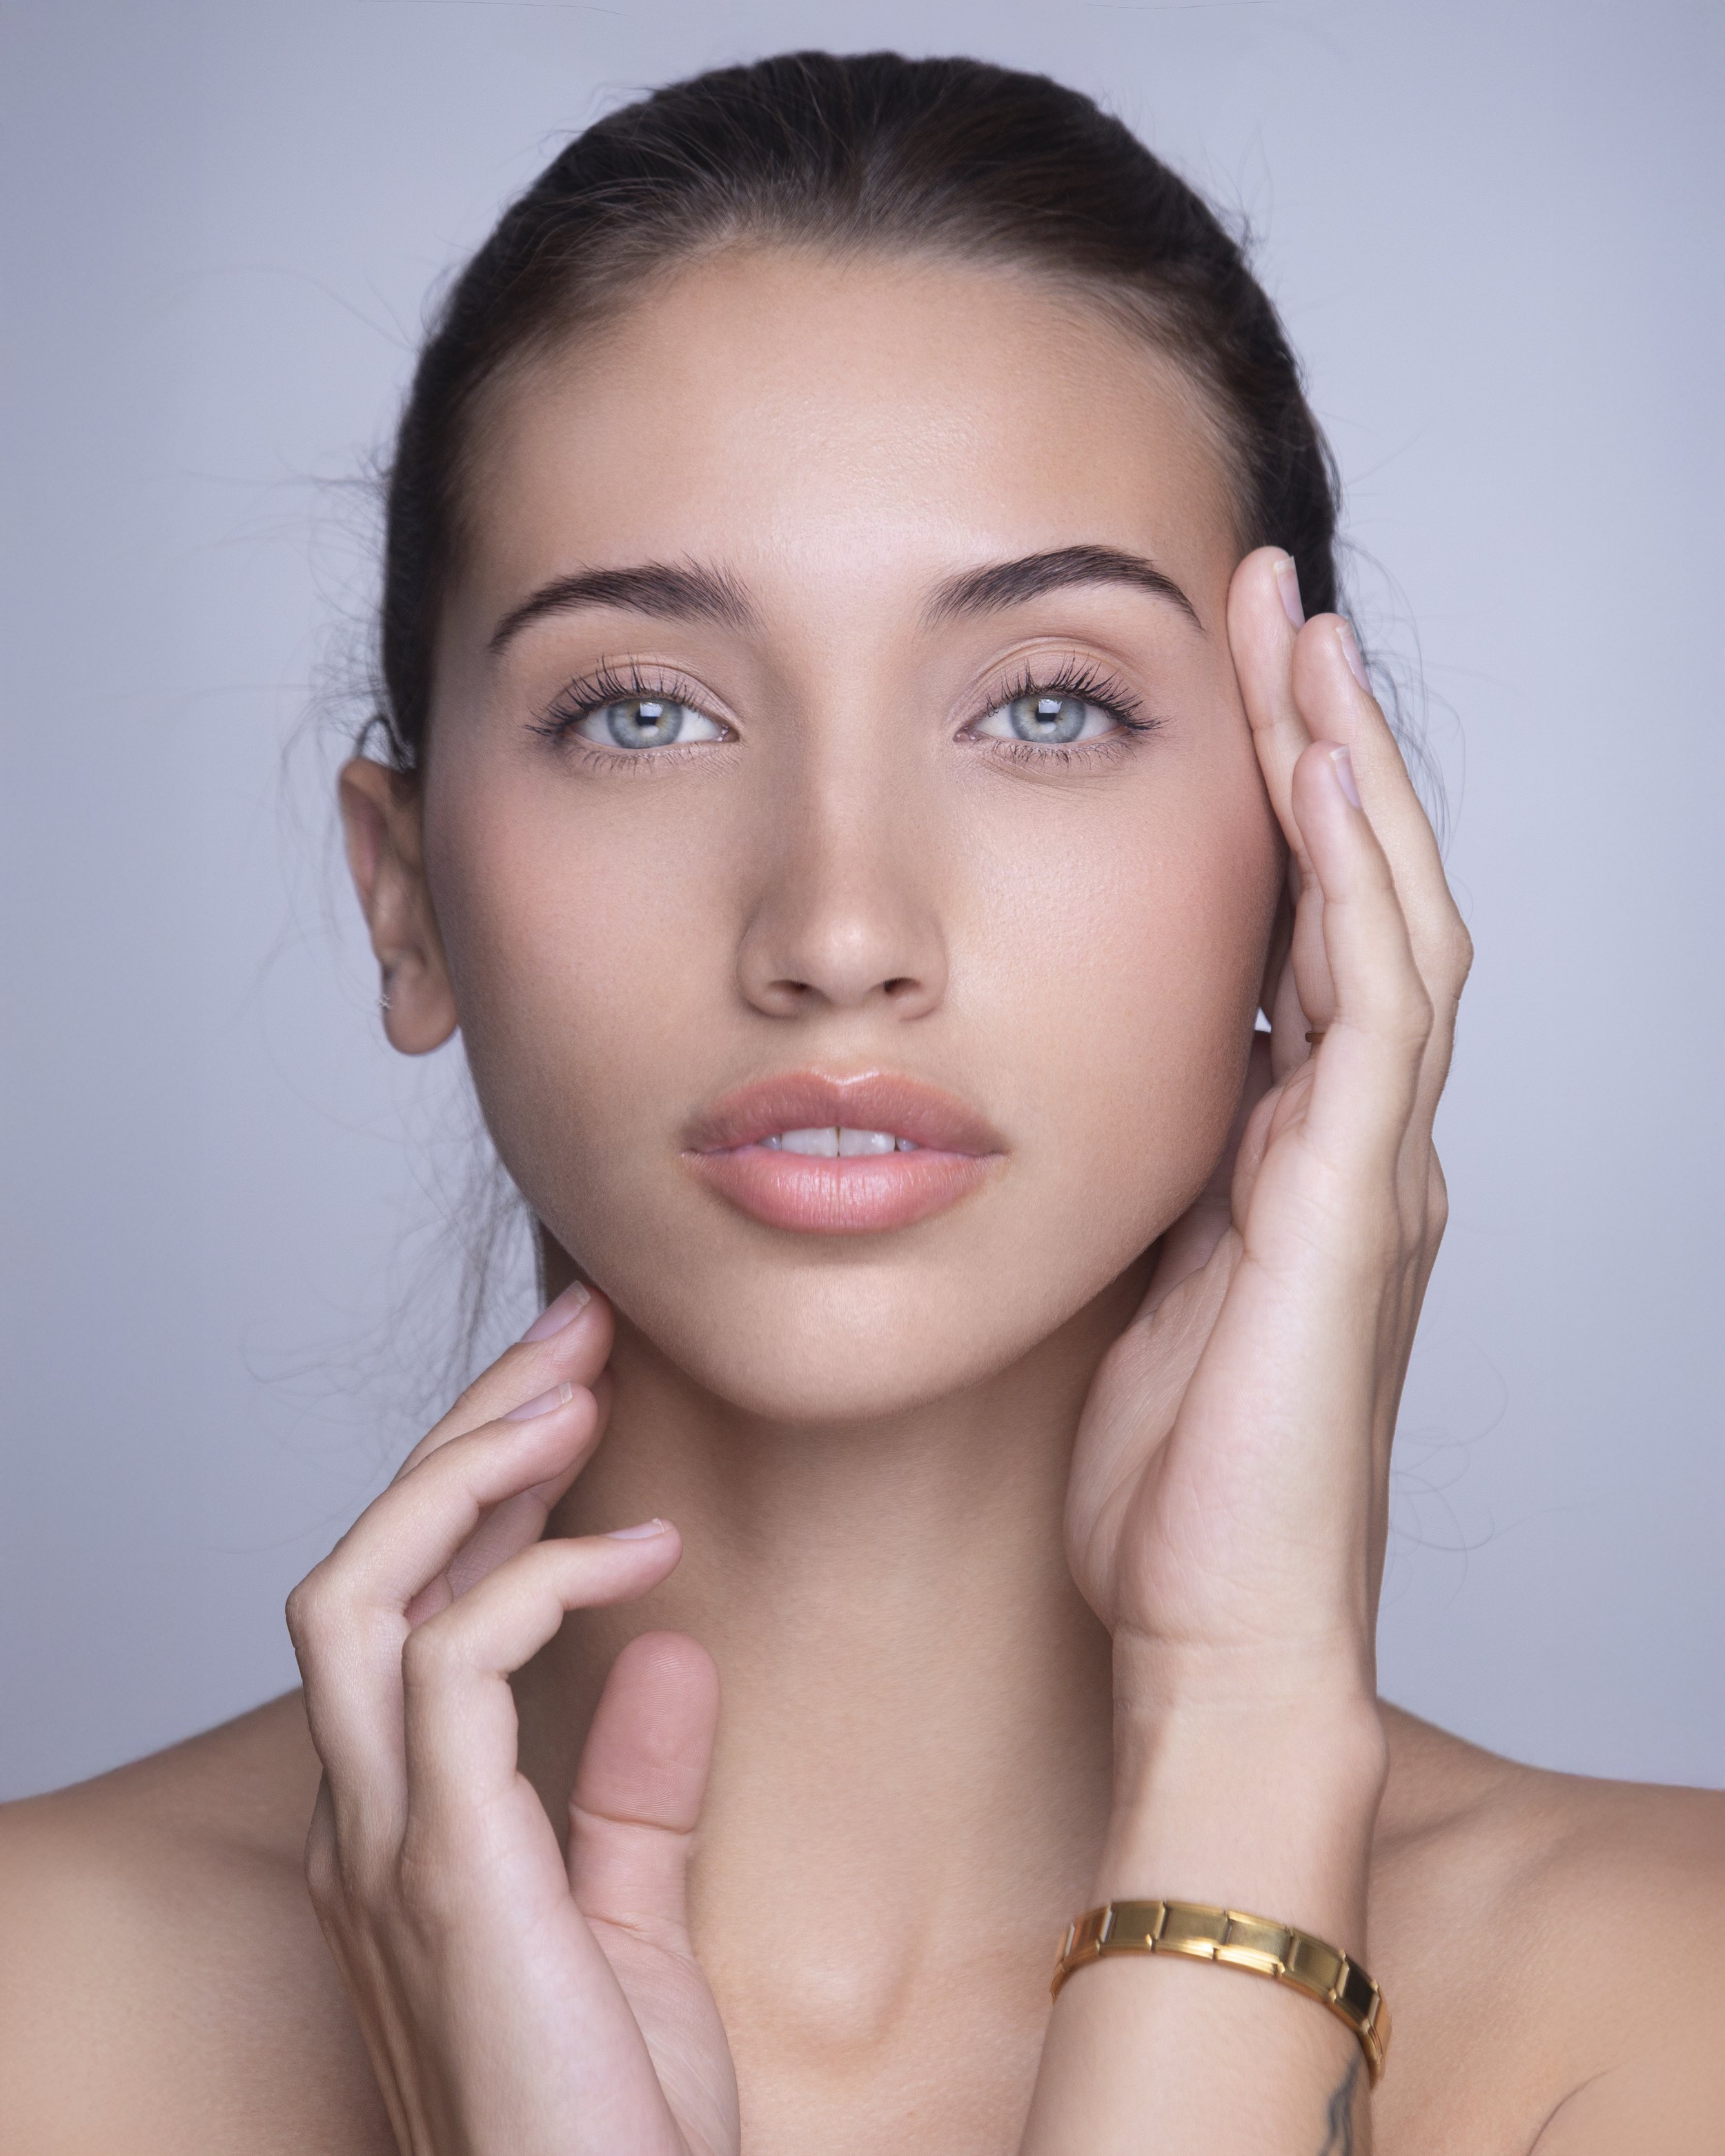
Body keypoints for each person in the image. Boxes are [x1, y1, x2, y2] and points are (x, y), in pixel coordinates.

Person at [0, 49, 1718, 2156]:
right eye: (641, 711)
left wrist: (1246, 1745)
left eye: (1046, 705)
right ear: (405, 891)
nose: (836, 924)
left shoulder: (1666, 2002)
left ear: (1309, 866)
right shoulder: (40, 2009)